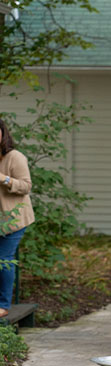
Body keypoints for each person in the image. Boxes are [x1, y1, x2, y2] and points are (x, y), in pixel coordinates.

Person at [0, 118, 35, 319]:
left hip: (13, 219)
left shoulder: (15, 157)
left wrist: (3, 178)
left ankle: (3, 304)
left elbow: (26, 186)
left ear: (3, 133)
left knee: (4, 260)